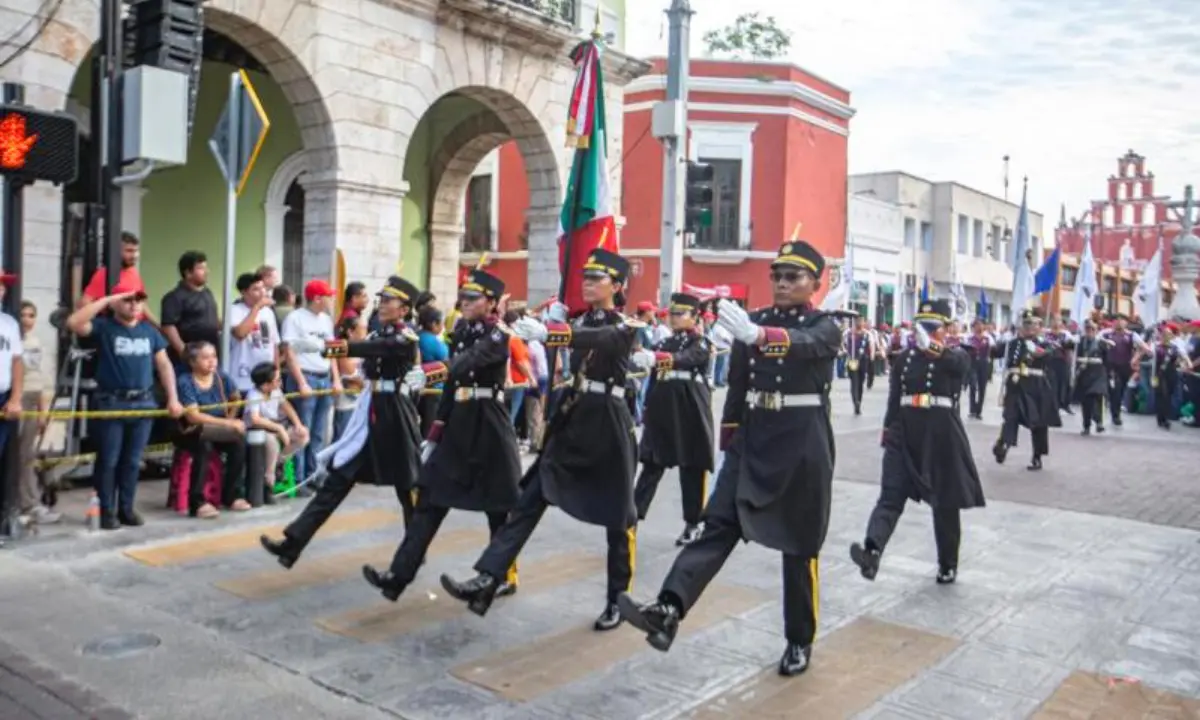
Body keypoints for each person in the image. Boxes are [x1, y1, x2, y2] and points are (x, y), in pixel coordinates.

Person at [618, 240, 842, 677]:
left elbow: (806, 345)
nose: (780, 282)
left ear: (816, 283)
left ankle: (799, 639)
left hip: (802, 446)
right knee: (715, 524)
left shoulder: (824, 325)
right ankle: (668, 607)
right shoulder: (751, 321)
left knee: (799, 546)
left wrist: (759, 337)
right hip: (754, 441)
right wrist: (731, 441)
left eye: (792, 276)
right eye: (776, 274)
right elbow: (738, 386)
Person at [439, 248, 642, 632]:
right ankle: (490, 576)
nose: (585, 282)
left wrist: (553, 331)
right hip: (574, 416)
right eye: (584, 275)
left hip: (609, 424)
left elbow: (604, 338)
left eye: (595, 278)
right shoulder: (580, 319)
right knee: (529, 499)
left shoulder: (626, 325)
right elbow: (582, 336)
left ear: (617, 286)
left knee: (618, 517)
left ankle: (619, 598)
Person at [363, 269, 522, 601]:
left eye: (473, 297)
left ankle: (501, 576)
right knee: (430, 500)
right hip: (459, 422)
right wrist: (434, 434)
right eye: (463, 296)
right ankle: (398, 575)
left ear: (491, 303)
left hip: (489, 424)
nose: (464, 302)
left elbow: (468, 362)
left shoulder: (498, 333)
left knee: (499, 505)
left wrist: (434, 370)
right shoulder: (461, 329)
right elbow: (454, 383)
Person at [261, 276, 428, 569]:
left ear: (404, 309)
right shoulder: (378, 335)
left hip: (395, 417)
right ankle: (293, 544)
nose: (383, 304)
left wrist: (324, 347)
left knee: (408, 486)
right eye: (382, 299)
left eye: (389, 301)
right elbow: (366, 363)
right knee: (338, 480)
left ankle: (413, 553)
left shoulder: (405, 338)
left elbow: (366, 350)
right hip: (370, 414)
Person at [849, 298, 985, 586]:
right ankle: (872, 551)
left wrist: (933, 348)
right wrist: (888, 431)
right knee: (890, 494)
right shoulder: (905, 359)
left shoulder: (958, 353)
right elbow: (894, 397)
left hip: (941, 434)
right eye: (921, 327)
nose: (925, 332)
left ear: (945, 330)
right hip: (905, 431)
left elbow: (959, 368)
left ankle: (948, 564)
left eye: (932, 328)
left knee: (945, 503)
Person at [67, 284, 184, 529]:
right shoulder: (105, 327)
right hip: (112, 402)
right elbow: (74, 322)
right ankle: (106, 510)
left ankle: (126, 509)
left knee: (132, 461)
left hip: (143, 402)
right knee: (109, 459)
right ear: (115, 303)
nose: (134, 305)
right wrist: (108, 298)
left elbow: (164, 366)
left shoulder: (150, 332)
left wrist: (173, 398)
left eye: (138, 300)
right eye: (128, 300)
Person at [632, 292, 713, 546]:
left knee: (691, 467)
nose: (674, 319)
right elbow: (654, 375)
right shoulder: (663, 343)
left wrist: (657, 359)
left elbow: (687, 360)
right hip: (663, 407)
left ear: (694, 317)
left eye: (681, 314)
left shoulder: (700, 343)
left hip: (689, 407)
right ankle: (632, 517)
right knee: (652, 464)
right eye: (672, 314)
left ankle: (693, 522)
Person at [174, 341, 248, 519]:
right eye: (205, 358)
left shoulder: (221, 376)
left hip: (218, 426)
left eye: (214, 356)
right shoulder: (185, 381)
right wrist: (227, 424)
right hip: (190, 430)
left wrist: (231, 417)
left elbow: (236, 397)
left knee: (239, 444)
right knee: (204, 447)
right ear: (192, 362)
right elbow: (193, 416)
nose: (212, 361)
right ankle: (197, 502)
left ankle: (231, 495)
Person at [280, 280, 342, 489]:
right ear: (317, 298)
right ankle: (298, 479)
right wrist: (301, 382)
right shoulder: (295, 318)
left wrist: (336, 378)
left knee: (319, 430)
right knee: (302, 429)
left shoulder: (326, 320)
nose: (331, 299)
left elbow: (332, 350)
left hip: (323, 376)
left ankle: (314, 473)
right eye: (328, 296)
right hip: (306, 376)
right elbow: (289, 352)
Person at [993, 311, 1060, 470]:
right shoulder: (1013, 343)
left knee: (1038, 422)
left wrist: (1041, 353)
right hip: (1016, 384)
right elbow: (995, 353)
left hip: (1036, 386)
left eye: (1034, 324)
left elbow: (1051, 356)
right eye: (1027, 324)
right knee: (1010, 416)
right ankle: (1004, 444)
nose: (1030, 327)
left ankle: (1037, 456)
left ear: (1040, 328)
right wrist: (1002, 340)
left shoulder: (1044, 343)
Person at [16, 300, 57, 523]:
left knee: (27, 456)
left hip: (32, 401)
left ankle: (29, 503)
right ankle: (25, 503)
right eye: (23, 314)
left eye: (31, 315)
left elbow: (41, 381)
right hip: (15, 400)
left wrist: (43, 413)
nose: (27, 319)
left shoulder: (37, 343)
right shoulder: (10, 340)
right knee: (18, 456)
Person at [244, 362, 309, 503]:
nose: (280, 382)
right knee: (272, 443)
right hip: (259, 430)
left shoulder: (276, 392)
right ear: (265, 384)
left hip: (276, 426)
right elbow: (255, 419)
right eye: (277, 380)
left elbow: (287, 407)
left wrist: (298, 424)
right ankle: (269, 481)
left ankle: (279, 461)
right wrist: (278, 429)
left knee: (302, 435)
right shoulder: (254, 394)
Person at [160, 251, 220, 370]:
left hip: (210, 357)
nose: (206, 271)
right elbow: (168, 327)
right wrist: (184, 352)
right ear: (188, 273)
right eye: (201, 268)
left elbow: (213, 319)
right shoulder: (174, 297)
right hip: (189, 360)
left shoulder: (207, 293)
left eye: (205, 267)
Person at [227, 272, 279, 395]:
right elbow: (240, 333)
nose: (262, 292)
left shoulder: (268, 312)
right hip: (242, 378)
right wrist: (256, 307)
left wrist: (277, 371)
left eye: (263, 288)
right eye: (256, 289)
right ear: (244, 292)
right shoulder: (234, 310)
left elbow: (275, 343)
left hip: (266, 378)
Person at [0, 273, 24, 503]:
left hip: (3, 398)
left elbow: (17, 361)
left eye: (2, 286)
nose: (1, 290)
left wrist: (15, 398)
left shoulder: (9, 324)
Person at [1097, 314, 1145, 426]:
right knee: (1111, 390)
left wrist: (1135, 358)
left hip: (1125, 367)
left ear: (1126, 323)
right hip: (1110, 367)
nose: (1119, 322)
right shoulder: (1105, 333)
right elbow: (1096, 341)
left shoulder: (1132, 335)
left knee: (1120, 390)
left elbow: (1143, 347)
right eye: (1116, 320)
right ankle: (1109, 416)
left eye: (1122, 320)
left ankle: (1116, 411)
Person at [79, 233, 146, 310]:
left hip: (135, 321)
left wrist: (155, 322)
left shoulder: (134, 272)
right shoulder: (104, 274)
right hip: (112, 320)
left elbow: (142, 304)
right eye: (129, 251)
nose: (134, 255)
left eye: (136, 251)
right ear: (117, 251)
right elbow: (85, 303)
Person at [331, 315, 367, 442]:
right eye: (362, 330)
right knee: (343, 438)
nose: (365, 334)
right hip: (347, 402)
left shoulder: (362, 349)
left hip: (360, 401)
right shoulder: (342, 348)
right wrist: (369, 384)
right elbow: (350, 375)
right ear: (350, 332)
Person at [416, 306, 449, 437]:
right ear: (433, 324)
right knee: (430, 426)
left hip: (420, 387)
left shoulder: (418, 337)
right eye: (441, 322)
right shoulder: (433, 341)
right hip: (434, 388)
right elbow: (446, 360)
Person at [1074, 320, 1109, 435]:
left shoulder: (1101, 343)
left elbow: (1107, 359)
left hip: (1098, 374)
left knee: (1098, 396)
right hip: (1085, 374)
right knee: (1086, 401)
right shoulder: (1080, 343)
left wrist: (1109, 374)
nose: (1090, 331)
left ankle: (1099, 422)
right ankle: (1086, 426)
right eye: (1088, 329)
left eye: (1092, 329)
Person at [964, 318, 994, 419]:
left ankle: (979, 411)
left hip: (984, 363)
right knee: (973, 385)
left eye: (981, 324)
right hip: (973, 363)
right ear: (973, 327)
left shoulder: (988, 338)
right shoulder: (969, 338)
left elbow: (992, 352)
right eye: (977, 325)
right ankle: (972, 409)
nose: (979, 327)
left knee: (982, 387)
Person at [844, 315, 872, 415]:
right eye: (858, 321)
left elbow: (870, 347)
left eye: (861, 320)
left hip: (863, 361)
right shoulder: (849, 333)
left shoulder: (866, 334)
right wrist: (844, 351)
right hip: (852, 360)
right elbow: (843, 344)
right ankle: (855, 402)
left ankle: (859, 401)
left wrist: (871, 359)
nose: (860, 322)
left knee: (860, 383)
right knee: (854, 383)